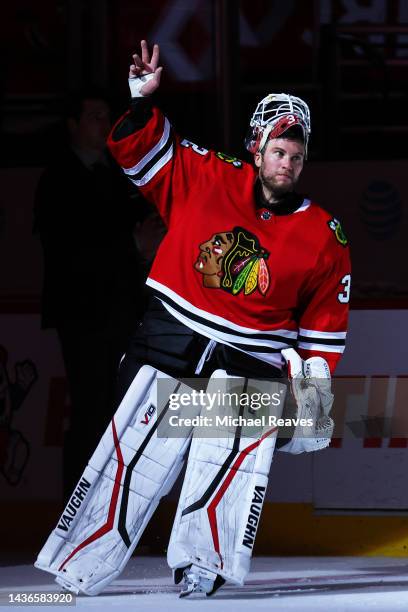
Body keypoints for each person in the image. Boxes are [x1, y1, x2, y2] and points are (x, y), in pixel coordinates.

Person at [35, 41, 351, 597]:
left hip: (252, 358)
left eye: (298, 156)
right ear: (256, 147)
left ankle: (204, 564)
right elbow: (140, 150)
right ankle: (82, 562)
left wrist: (315, 398)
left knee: (228, 463)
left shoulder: (325, 235)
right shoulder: (207, 174)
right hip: (171, 340)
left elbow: (324, 324)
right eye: (279, 150)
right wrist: (140, 102)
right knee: (135, 458)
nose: (288, 163)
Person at [33, 89, 149, 501]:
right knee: (89, 408)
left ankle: (118, 505)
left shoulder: (118, 174)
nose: (104, 123)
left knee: (125, 411)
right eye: (95, 116)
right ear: (74, 124)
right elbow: (67, 242)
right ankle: (77, 506)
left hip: (123, 309)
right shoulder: (58, 178)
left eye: (106, 116)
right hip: (83, 313)